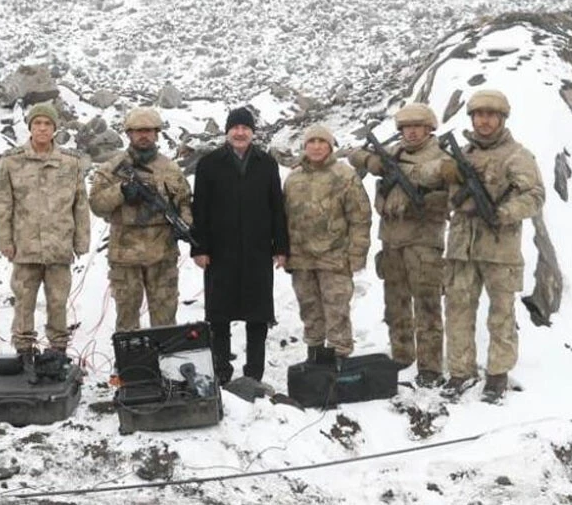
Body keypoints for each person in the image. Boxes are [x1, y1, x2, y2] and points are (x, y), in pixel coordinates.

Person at [412, 90, 545, 403]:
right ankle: (460, 372)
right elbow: (425, 174)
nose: (484, 121)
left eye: (491, 115)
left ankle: (497, 374)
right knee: (457, 311)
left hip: (500, 248)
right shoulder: (461, 154)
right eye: (478, 115)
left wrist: (503, 213)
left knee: (501, 315)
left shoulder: (517, 155)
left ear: (501, 118)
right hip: (461, 246)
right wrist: (445, 170)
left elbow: (535, 196)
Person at [348, 103, 449, 388]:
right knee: (395, 305)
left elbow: (451, 194)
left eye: (418, 126)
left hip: (424, 244)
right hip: (392, 242)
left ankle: (430, 367)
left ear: (430, 128)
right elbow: (355, 155)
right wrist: (373, 163)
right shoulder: (394, 153)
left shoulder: (442, 158)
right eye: (406, 127)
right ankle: (403, 356)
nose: (412, 132)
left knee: (427, 307)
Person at [190, 107, 288, 383]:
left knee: (258, 315)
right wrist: (199, 248)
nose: (240, 132)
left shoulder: (267, 164)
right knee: (219, 315)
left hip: (258, 251)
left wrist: (280, 247)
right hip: (220, 252)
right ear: (227, 131)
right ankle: (222, 371)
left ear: (253, 132)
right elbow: (200, 210)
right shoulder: (209, 163)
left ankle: (254, 373)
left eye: (245, 127)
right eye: (235, 127)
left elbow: (277, 209)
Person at [0, 102, 90, 355]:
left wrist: (81, 241)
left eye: (48, 124)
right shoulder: (12, 162)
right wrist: (5, 241)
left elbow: (80, 204)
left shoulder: (70, 163)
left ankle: (58, 348)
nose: (43, 128)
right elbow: (2, 204)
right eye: (37, 123)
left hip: (59, 245)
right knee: (24, 300)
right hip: (25, 246)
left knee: (58, 301)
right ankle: (24, 347)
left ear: (55, 128)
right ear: (30, 127)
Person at [89, 108, 192, 332]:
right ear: (128, 134)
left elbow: (184, 201)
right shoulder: (112, 168)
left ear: (157, 133)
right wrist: (122, 191)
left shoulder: (170, 168)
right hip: (125, 257)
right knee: (127, 322)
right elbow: (96, 204)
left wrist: (183, 224)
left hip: (162, 255)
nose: (143, 136)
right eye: (137, 131)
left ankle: (165, 366)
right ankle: (132, 366)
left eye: (148, 131)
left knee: (165, 322)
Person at [283, 124, 371, 368]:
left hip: (335, 258)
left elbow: (360, 217)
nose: (317, 146)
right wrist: (282, 251)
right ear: (305, 146)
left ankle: (340, 357)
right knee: (309, 309)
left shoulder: (345, 175)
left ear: (330, 146)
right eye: (312, 142)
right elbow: (283, 217)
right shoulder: (293, 178)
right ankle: (314, 355)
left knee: (337, 309)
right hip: (301, 259)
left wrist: (357, 255)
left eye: (322, 141)